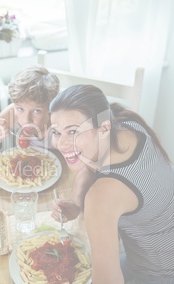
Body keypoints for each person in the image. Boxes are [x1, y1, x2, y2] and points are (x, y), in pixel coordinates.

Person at [49, 85, 174, 283]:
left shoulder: (102, 197)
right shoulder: (126, 124)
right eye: (56, 132)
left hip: (156, 275)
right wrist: (77, 202)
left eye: (72, 131)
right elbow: (91, 164)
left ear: (103, 128)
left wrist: (89, 205)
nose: (61, 144)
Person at [0, 65, 59, 152]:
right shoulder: (10, 115)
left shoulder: (60, 126)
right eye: (20, 109)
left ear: (51, 109)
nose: (26, 120)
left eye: (37, 111)